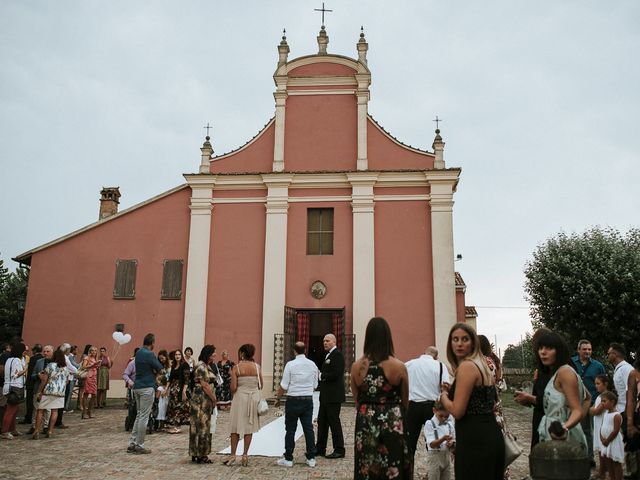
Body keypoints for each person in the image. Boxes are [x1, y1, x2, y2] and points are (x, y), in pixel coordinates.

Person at [439, 322, 504, 480]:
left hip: (475, 440)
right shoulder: (481, 364)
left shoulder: (467, 367)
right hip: (490, 434)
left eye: (465, 339)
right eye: (455, 339)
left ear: (473, 342)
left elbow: (457, 411)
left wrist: (443, 397)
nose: (459, 344)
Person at [351, 317, 412, 480]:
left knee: (367, 463)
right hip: (392, 420)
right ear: (388, 337)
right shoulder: (399, 366)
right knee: (393, 462)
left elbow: (356, 398)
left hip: (366, 420)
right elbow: (405, 399)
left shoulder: (357, 367)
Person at [534, 329, 590, 454]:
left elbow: (577, 409)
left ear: (559, 351)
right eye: (540, 348)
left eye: (548, 348)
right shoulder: (556, 372)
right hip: (552, 434)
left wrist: (566, 426)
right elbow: (587, 397)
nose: (543, 352)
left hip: (562, 438)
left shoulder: (565, 372)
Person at [275, 341, 318, 468]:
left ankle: (288, 458)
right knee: (308, 429)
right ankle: (311, 457)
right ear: (305, 350)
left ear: (294, 351)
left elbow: (284, 385)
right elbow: (315, 385)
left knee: (290, 429)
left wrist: (278, 398)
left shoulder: (290, 365)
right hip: (307, 399)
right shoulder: (312, 364)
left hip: (293, 399)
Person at [405, 345, 449, 459]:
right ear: (436, 357)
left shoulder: (410, 364)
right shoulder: (440, 366)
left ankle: (408, 471)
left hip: (413, 406)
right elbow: (446, 387)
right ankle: (433, 471)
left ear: (424, 353)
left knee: (410, 443)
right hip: (432, 408)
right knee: (433, 442)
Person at [513, 327, 554, 448]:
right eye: (539, 349)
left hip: (553, 427)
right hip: (541, 422)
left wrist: (530, 399)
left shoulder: (561, 369)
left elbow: (553, 401)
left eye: (545, 348)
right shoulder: (543, 368)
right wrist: (527, 399)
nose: (541, 352)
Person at [570, 339, 606, 467]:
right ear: (579, 350)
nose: (587, 352)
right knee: (575, 430)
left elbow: (604, 384)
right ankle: (577, 457)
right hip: (574, 403)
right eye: (584, 349)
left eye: (589, 349)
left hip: (592, 403)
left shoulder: (598, 366)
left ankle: (591, 458)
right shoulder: (570, 363)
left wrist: (601, 402)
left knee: (592, 431)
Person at [127, 333, 163, 455]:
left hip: (137, 386)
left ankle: (132, 442)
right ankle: (139, 444)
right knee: (144, 417)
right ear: (152, 343)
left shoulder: (139, 353)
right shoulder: (149, 354)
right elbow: (160, 368)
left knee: (139, 415)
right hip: (147, 386)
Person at [227, 343, 262, 467]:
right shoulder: (257, 367)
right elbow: (260, 385)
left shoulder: (237, 368)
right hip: (253, 399)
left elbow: (233, 387)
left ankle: (232, 455)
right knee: (249, 427)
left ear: (242, 353)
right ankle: (245, 454)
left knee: (235, 426)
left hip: (240, 398)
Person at [316, 333, 346, 459]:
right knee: (322, 422)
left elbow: (337, 373)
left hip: (333, 396)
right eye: (323, 341)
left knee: (334, 422)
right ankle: (320, 448)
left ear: (334, 342)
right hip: (325, 396)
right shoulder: (328, 355)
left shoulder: (337, 355)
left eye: (327, 340)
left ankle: (339, 449)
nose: (325, 343)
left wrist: (321, 375)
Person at [189, 344, 218, 464]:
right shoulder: (201, 366)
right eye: (213, 353)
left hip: (202, 399)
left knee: (199, 426)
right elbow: (205, 385)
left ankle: (197, 453)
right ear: (208, 354)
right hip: (202, 400)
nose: (215, 355)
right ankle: (201, 453)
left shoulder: (206, 365)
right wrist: (214, 398)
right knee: (202, 426)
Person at [33, 348, 70, 439]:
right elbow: (67, 381)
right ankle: (50, 431)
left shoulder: (50, 365)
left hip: (49, 390)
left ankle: (36, 431)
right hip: (60, 392)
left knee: (41, 410)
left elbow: (44, 380)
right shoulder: (65, 369)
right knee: (55, 411)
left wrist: (39, 391)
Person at [1, 342, 27, 440]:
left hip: (9, 386)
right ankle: (5, 431)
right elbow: (15, 374)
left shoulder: (9, 360)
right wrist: (24, 371)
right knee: (11, 410)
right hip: (14, 387)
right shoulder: (16, 360)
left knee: (14, 409)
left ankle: (12, 429)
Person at [424, 402, 455, 480]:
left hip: (447, 457)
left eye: (446, 416)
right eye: (441, 416)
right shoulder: (429, 424)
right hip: (435, 457)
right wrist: (443, 439)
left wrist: (452, 443)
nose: (444, 418)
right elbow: (431, 444)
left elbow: (454, 439)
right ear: (434, 410)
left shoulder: (450, 424)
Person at [600, 390, 624, 480]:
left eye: (604, 401)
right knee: (608, 462)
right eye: (601, 401)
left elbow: (616, 430)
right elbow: (602, 426)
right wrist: (602, 438)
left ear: (612, 402)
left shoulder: (616, 415)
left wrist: (607, 440)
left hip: (613, 441)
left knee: (616, 463)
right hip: (606, 442)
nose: (602, 403)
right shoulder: (605, 413)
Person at [590, 374, 610, 480]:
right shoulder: (599, 396)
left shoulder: (605, 397)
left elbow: (596, 411)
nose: (596, 386)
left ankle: (603, 472)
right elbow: (593, 409)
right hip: (598, 426)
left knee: (603, 451)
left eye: (598, 383)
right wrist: (592, 409)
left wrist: (591, 409)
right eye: (595, 384)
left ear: (605, 384)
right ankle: (601, 471)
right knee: (600, 450)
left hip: (603, 426)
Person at [164, 349, 190, 432]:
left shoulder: (185, 365)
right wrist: (166, 389)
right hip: (173, 389)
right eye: (176, 355)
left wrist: (184, 391)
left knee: (180, 407)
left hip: (181, 388)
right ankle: (174, 424)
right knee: (173, 406)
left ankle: (178, 426)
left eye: (179, 354)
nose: (177, 356)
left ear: (181, 355)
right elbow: (170, 379)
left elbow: (186, 379)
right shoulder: (174, 365)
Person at [21, 344, 42, 424]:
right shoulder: (42, 359)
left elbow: (30, 372)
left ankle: (29, 417)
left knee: (30, 402)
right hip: (39, 383)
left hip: (31, 383)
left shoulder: (33, 359)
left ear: (35, 350)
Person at [81, 346, 100, 419]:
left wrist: (97, 365)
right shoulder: (87, 358)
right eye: (92, 350)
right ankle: (84, 412)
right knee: (86, 394)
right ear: (90, 351)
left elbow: (94, 367)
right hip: (89, 376)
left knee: (94, 394)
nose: (94, 352)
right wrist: (93, 365)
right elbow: (84, 367)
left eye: (95, 351)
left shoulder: (95, 359)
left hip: (94, 377)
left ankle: (90, 410)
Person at [123, 347, 139, 432]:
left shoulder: (146, 363)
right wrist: (130, 382)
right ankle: (132, 421)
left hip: (143, 387)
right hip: (133, 387)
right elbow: (125, 374)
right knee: (132, 405)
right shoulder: (132, 363)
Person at [76, 344, 92, 411]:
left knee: (83, 390)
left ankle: (81, 404)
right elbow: (83, 366)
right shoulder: (85, 356)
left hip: (86, 374)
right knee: (81, 390)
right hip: (83, 374)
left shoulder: (87, 356)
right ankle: (80, 405)